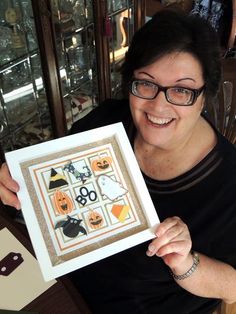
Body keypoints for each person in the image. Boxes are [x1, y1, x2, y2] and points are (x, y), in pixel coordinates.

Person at [0, 9, 236, 314]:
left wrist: (186, 263)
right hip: (59, 291)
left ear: (205, 95)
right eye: (146, 83)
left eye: (181, 90)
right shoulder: (106, 122)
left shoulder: (229, 185)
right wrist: (17, 179)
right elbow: (51, 182)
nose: (159, 105)